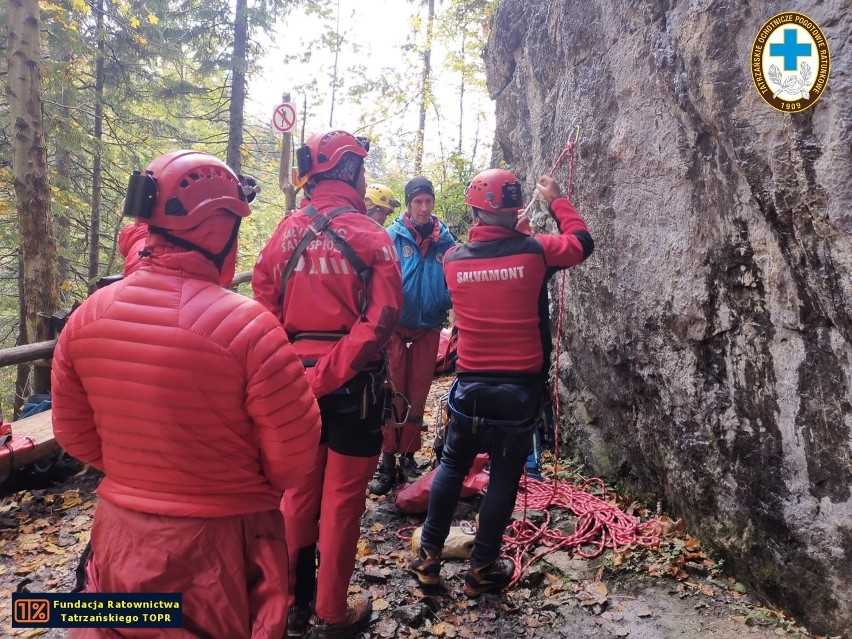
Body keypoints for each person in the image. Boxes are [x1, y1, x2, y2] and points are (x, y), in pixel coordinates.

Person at [51, 150, 322, 639]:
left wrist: (141, 469)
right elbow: (294, 461)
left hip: (119, 535)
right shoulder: (250, 328)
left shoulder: (87, 318)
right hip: (219, 548)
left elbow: (74, 435)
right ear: (219, 229)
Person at [409, 168, 594, 597]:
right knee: (505, 475)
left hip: (470, 387)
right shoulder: (536, 252)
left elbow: (496, 259)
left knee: (452, 467)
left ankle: (428, 558)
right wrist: (556, 199)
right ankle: (483, 568)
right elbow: (582, 243)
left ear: (475, 210)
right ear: (515, 210)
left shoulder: (452, 259)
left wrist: (516, 230)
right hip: (518, 389)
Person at [252, 129, 402, 639]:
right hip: (353, 387)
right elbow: (382, 319)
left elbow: (264, 305)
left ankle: (291, 605)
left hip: (294, 384)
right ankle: (331, 612)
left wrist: (298, 371)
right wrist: (331, 371)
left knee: (296, 497)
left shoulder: (283, 233)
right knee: (342, 503)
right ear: (349, 171)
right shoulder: (372, 236)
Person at [368, 177, 455, 496]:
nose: (423, 207)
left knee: (417, 394)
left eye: (428, 201)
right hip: (395, 329)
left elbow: (455, 277)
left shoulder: (445, 241)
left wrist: (443, 299)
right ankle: (386, 459)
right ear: (408, 204)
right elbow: (376, 279)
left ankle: (407, 457)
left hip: (428, 328)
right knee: (394, 395)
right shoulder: (391, 237)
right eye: (417, 201)